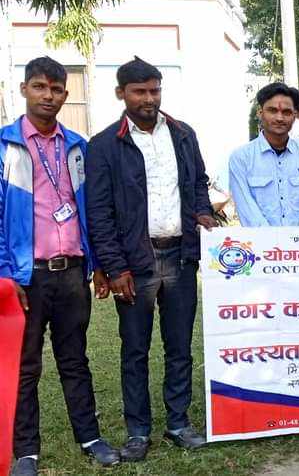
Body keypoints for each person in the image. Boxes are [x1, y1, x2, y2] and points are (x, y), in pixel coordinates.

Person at [86, 57, 216, 461]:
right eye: (139, 91)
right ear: (120, 94)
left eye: (154, 90)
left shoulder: (183, 133)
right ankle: (138, 432)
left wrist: (203, 213)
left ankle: (178, 423)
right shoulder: (104, 145)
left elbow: (198, 184)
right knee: (135, 350)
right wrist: (115, 267)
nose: (149, 98)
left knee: (179, 347)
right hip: (134, 264)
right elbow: (99, 213)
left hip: (180, 256)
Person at [2, 57, 119, 476]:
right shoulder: (6, 146)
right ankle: (26, 452)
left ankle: (90, 437)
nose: (47, 96)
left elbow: (93, 210)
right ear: (24, 90)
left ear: (65, 95)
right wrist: (6, 274)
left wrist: (98, 263)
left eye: (55, 89)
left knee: (75, 359)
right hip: (26, 276)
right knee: (26, 366)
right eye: (39, 87)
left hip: (72, 272)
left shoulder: (77, 146)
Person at [229, 82, 299, 227]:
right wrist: (273, 238)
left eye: (286, 112)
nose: (280, 118)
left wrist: (298, 237)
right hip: (259, 240)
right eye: (272, 111)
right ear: (260, 113)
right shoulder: (241, 158)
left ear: (294, 116)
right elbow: (247, 210)